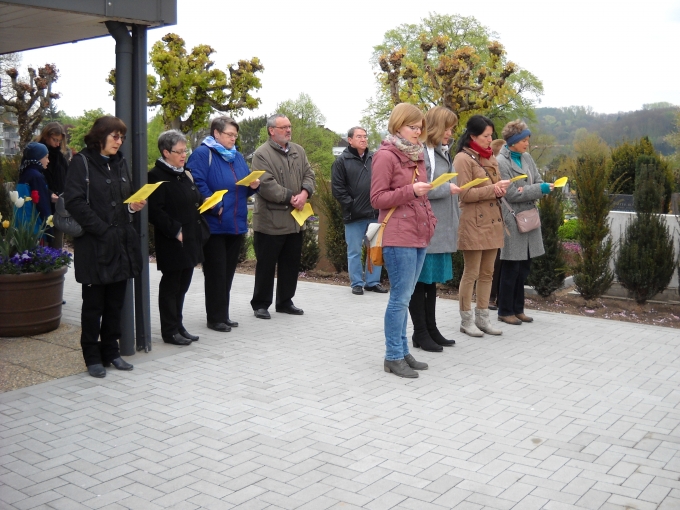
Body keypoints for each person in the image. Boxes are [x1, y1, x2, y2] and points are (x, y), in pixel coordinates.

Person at [63, 116, 146, 378]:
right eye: (115, 136)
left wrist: (132, 207)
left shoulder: (120, 162)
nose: (119, 142)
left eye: (122, 137)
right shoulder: (81, 162)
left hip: (119, 245)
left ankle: (111, 351)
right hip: (94, 246)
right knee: (93, 307)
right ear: (100, 136)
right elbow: (75, 201)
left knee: (115, 304)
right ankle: (91, 356)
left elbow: (122, 200)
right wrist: (102, 229)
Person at [371, 103, 436, 378]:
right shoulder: (385, 156)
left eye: (420, 127)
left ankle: (403, 350)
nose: (417, 132)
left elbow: (422, 196)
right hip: (398, 235)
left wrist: (431, 219)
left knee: (406, 296)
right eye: (412, 127)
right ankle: (393, 355)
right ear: (398, 125)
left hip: (419, 232)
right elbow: (377, 199)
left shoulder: (417, 154)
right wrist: (411, 190)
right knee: (399, 298)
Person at [188, 117, 260, 332]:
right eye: (230, 134)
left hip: (235, 223)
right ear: (216, 133)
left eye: (235, 135)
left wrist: (253, 185)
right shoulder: (203, 154)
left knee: (227, 273)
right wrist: (214, 204)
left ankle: (223, 314)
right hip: (214, 223)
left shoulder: (237, 156)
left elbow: (242, 185)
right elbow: (196, 182)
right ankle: (214, 317)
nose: (233, 138)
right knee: (215, 273)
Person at [250, 114, 315, 319]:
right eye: (283, 127)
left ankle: (285, 301)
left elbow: (309, 174)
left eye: (289, 126)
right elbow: (266, 185)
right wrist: (291, 198)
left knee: (290, 263)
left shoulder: (298, 150)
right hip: (270, 221)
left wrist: (304, 193)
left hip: (295, 220)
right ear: (271, 131)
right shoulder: (261, 154)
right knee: (266, 265)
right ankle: (261, 304)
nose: (288, 130)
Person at [408, 106, 461, 353]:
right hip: (426, 227)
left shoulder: (440, 151)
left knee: (430, 283)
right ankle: (420, 331)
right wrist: (446, 189)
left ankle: (431, 328)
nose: (450, 133)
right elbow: (419, 188)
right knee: (420, 282)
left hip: (439, 227)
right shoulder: (422, 152)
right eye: (447, 128)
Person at [453, 115, 510, 337]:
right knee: (472, 273)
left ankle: (483, 318)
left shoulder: (490, 156)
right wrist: (493, 189)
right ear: (473, 135)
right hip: (473, 223)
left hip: (493, 221)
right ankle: (466, 320)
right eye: (486, 136)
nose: (490, 140)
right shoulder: (462, 158)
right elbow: (464, 194)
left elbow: (493, 187)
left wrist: (501, 188)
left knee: (488, 272)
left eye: (491, 136)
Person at [147, 130, 205, 345]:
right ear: (166, 152)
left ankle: (179, 326)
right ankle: (169, 330)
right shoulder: (156, 176)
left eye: (185, 151)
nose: (183, 155)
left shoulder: (183, 173)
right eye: (179, 152)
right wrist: (175, 230)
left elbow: (194, 198)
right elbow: (155, 211)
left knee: (183, 285)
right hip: (173, 240)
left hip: (190, 237)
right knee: (171, 287)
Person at [497, 120, 553, 325]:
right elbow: (511, 193)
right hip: (512, 218)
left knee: (524, 268)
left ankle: (518, 309)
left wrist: (531, 189)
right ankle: (505, 310)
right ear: (513, 141)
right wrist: (538, 190)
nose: (527, 144)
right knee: (511, 267)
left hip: (529, 217)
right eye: (524, 140)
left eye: (528, 140)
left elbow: (538, 181)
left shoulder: (527, 158)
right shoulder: (501, 162)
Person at [331, 126, 387, 295]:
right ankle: (356, 283)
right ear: (350, 140)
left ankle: (372, 282)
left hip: (374, 213)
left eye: (365, 136)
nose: (363, 139)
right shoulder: (341, 162)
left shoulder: (374, 158)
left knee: (374, 249)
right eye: (359, 137)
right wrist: (352, 204)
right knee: (354, 251)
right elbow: (338, 189)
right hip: (354, 215)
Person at [38, 122, 69, 248]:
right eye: (55, 140)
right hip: (42, 206)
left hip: (58, 207)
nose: (57, 144)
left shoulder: (60, 157)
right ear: (46, 136)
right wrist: (49, 193)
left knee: (57, 246)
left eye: (59, 141)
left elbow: (67, 177)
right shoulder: (37, 154)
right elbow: (34, 180)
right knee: (42, 247)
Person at [488, 139, 507, 311]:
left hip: (503, 218)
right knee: (494, 262)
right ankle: (490, 297)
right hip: (493, 220)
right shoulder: (492, 169)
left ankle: (499, 296)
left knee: (501, 262)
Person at [17, 142, 53, 232]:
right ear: (38, 158)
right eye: (46, 157)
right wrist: (49, 231)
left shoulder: (25, 173)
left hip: (22, 226)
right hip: (35, 229)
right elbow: (42, 205)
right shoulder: (36, 177)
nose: (48, 161)